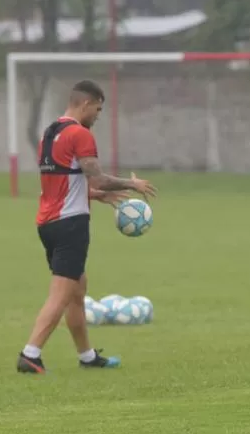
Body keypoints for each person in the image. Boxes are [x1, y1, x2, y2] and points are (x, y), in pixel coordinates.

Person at [17, 80, 157, 374]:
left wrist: (93, 195)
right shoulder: (80, 135)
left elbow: (59, 183)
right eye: (98, 109)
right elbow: (98, 177)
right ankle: (31, 354)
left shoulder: (49, 134)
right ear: (86, 103)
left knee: (76, 292)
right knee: (61, 294)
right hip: (70, 226)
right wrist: (132, 184)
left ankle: (87, 356)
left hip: (49, 223)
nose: (98, 116)